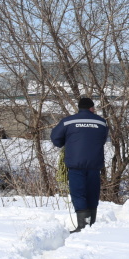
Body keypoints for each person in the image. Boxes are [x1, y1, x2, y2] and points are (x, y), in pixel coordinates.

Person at [50, 97, 108, 233]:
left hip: (75, 165)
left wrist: (67, 143)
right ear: (91, 108)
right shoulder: (101, 122)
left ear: (79, 108)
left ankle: (82, 225)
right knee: (92, 193)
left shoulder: (68, 121)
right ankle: (90, 224)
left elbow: (55, 138)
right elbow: (103, 139)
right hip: (94, 165)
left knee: (78, 193)